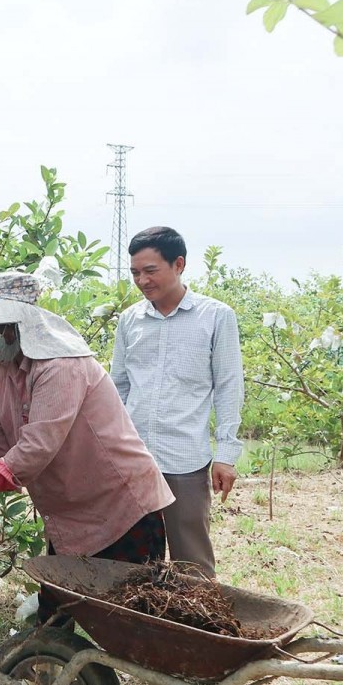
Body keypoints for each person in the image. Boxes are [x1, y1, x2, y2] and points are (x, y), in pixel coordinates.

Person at [0, 269, 184, 685]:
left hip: (121, 506)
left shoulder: (60, 364)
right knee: (56, 613)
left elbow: (38, 445)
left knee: (139, 623)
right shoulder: (5, 368)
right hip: (68, 513)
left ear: (12, 326)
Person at [110, 226, 244, 578]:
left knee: (192, 563)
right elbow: (118, 386)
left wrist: (226, 455)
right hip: (134, 457)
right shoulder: (130, 321)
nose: (142, 280)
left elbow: (229, 386)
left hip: (185, 458)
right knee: (132, 557)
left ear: (179, 264)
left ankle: (197, 631)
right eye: (135, 272)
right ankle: (137, 628)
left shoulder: (215, 317)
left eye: (150, 270)